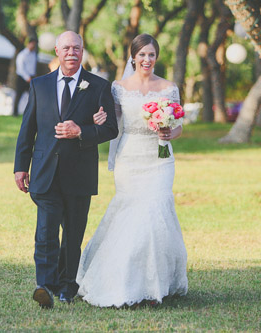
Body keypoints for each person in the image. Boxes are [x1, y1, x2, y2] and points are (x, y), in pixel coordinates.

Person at [76, 33, 188, 308]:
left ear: (156, 57)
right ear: (133, 57)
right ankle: (125, 280)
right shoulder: (119, 87)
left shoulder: (169, 88)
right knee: (132, 211)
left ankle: (155, 284)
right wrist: (97, 119)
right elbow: (112, 125)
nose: (147, 60)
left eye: (151, 54)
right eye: (142, 55)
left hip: (160, 158)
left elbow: (179, 123)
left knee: (156, 209)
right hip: (130, 157)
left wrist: (171, 132)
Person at [13, 31, 118, 309]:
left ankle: (67, 286)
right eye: (66, 48)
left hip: (80, 173)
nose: (71, 53)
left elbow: (110, 129)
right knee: (45, 233)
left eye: (77, 48)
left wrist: (81, 131)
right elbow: (28, 129)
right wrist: (20, 167)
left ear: (82, 52)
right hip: (44, 171)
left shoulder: (98, 86)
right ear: (57, 52)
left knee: (72, 236)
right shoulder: (40, 85)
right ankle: (44, 286)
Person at [13, 38, 38, 116]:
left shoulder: (34, 54)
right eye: (32, 44)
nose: (33, 46)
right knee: (18, 95)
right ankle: (15, 112)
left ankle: (32, 112)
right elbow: (20, 68)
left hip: (32, 77)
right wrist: (27, 77)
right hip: (22, 77)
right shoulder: (22, 54)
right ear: (28, 44)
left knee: (33, 95)